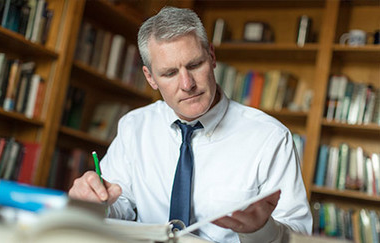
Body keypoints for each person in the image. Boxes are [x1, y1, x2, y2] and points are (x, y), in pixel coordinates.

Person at [69, 6, 312, 242]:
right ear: (150, 78)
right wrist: (96, 203)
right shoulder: (134, 126)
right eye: (169, 73)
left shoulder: (270, 137)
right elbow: (119, 204)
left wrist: (260, 230)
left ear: (212, 57)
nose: (187, 84)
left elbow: (299, 234)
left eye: (195, 65)